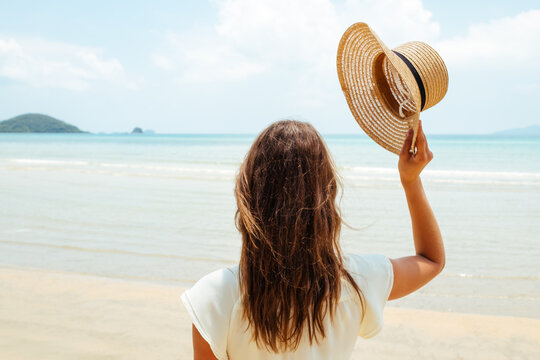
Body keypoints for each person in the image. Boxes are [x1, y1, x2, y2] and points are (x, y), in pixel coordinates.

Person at [181, 119, 445, 359]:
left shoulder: (214, 295)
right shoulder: (356, 281)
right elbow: (431, 259)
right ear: (327, 198)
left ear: (248, 196)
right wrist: (411, 181)